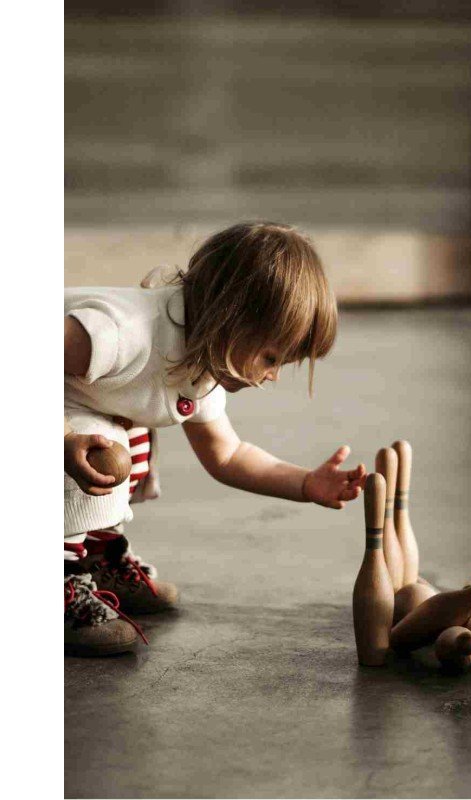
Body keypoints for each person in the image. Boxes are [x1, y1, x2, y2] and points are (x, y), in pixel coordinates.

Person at [64, 222, 366, 656]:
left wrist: (306, 484)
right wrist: (62, 440)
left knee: (126, 441)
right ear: (231, 316)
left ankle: (96, 554)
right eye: (270, 356)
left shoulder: (198, 366)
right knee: (99, 445)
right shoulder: (121, 334)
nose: (273, 376)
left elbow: (228, 455)